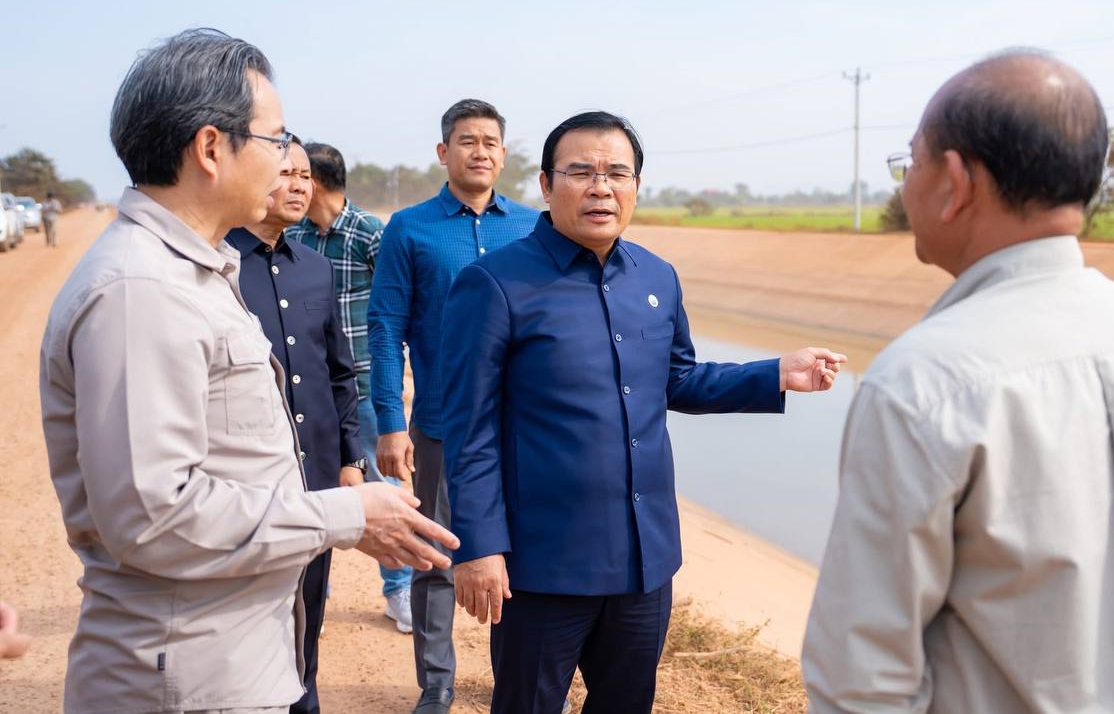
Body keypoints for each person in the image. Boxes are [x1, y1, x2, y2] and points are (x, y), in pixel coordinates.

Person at [39, 28, 458, 713]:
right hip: (185, 678)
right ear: (211, 148)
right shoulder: (144, 290)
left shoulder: (197, 271)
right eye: (275, 138)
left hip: (227, 661)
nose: (289, 163)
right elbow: (153, 517)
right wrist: (342, 514)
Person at [802, 50, 1114, 713]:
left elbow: (861, 682)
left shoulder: (923, 382)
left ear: (956, 181)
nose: (904, 185)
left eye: (910, 161)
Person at [439, 111, 847, 714]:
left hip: (643, 561)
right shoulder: (495, 285)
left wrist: (775, 374)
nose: (600, 187)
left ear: (636, 185)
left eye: (616, 173)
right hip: (542, 563)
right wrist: (478, 546)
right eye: (581, 172)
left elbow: (678, 380)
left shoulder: (657, 276)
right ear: (547, 185)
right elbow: (468, 429)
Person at [369, 98, 540, 713]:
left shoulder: (533, 226)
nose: (480, 152)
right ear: (444, 152)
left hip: (524, 425)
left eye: (491, 142)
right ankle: (437, 682)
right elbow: (385, 326)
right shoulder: (409, 228)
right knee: (437, 556)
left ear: (504, 154)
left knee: (522, 555)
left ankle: (513, 677)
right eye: (468, 141)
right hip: (442, 425)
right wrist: (391, 423)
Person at [228, 139, 367, 713]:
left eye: (305, 176)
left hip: (316, 475)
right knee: (250, 612)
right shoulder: (217, 266)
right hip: (249, 483)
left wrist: (351, 458)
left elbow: (339, 373)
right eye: (285, 172)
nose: (299, 186)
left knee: (310, 603)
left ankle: (304, 699)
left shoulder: (316, 268)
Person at [289, 141, 414, 631]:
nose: (291, 185)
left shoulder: (369, 233)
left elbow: (395, 311)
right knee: (307, 487)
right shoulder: (294, 234)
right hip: (306, 386)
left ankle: (399, 589)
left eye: (299, 176)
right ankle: (311, 595)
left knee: (381, 484)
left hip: (361, 384)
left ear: (316, 182)